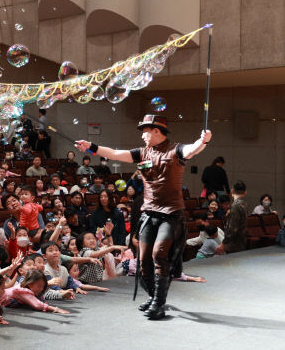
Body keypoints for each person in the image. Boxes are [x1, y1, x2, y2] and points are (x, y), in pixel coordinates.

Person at [75, 114, 211, 320]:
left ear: (157, 130)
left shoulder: (176, 150)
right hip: (149, 214)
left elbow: (192, 149)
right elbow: (114, 153)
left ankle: (158, 303)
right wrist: (91, 147)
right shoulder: (142, 153)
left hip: (170, 215)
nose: (143, 136)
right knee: (143, 260)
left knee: (159, 255)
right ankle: (154, 295)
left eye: (145, 131)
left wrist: (203, 140)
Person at [215, 181, 248, 255]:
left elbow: (232, 228)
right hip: (242, 239)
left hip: (234, 243)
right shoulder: (244, 204)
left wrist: (223, 244)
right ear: (245, 192)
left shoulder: (235, 206)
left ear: (232, 191)